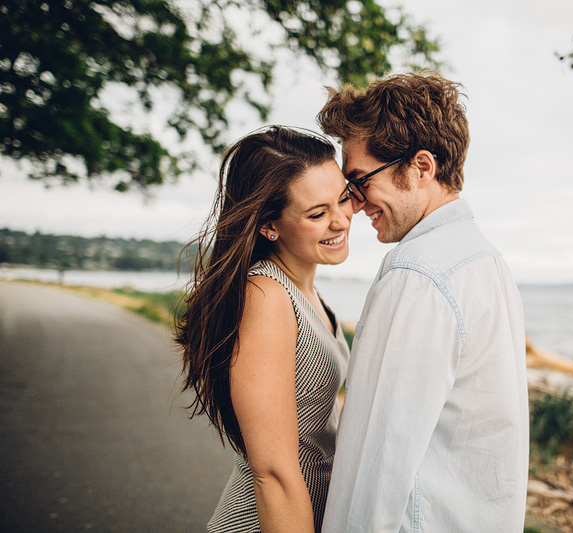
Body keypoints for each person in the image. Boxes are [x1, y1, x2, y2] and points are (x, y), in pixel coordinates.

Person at [317, 71, 529, 531]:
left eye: (359, 181)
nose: (352, 204)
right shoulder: (484, 260)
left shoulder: (417, 275)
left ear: (421, 168)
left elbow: (374, 462)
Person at [175, 126, 352, 533]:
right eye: (317, 213)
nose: (340, 220)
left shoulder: (307, 291)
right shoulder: (266, 296)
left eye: (343, 198)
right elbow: (271, 471)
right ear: (270, 226)